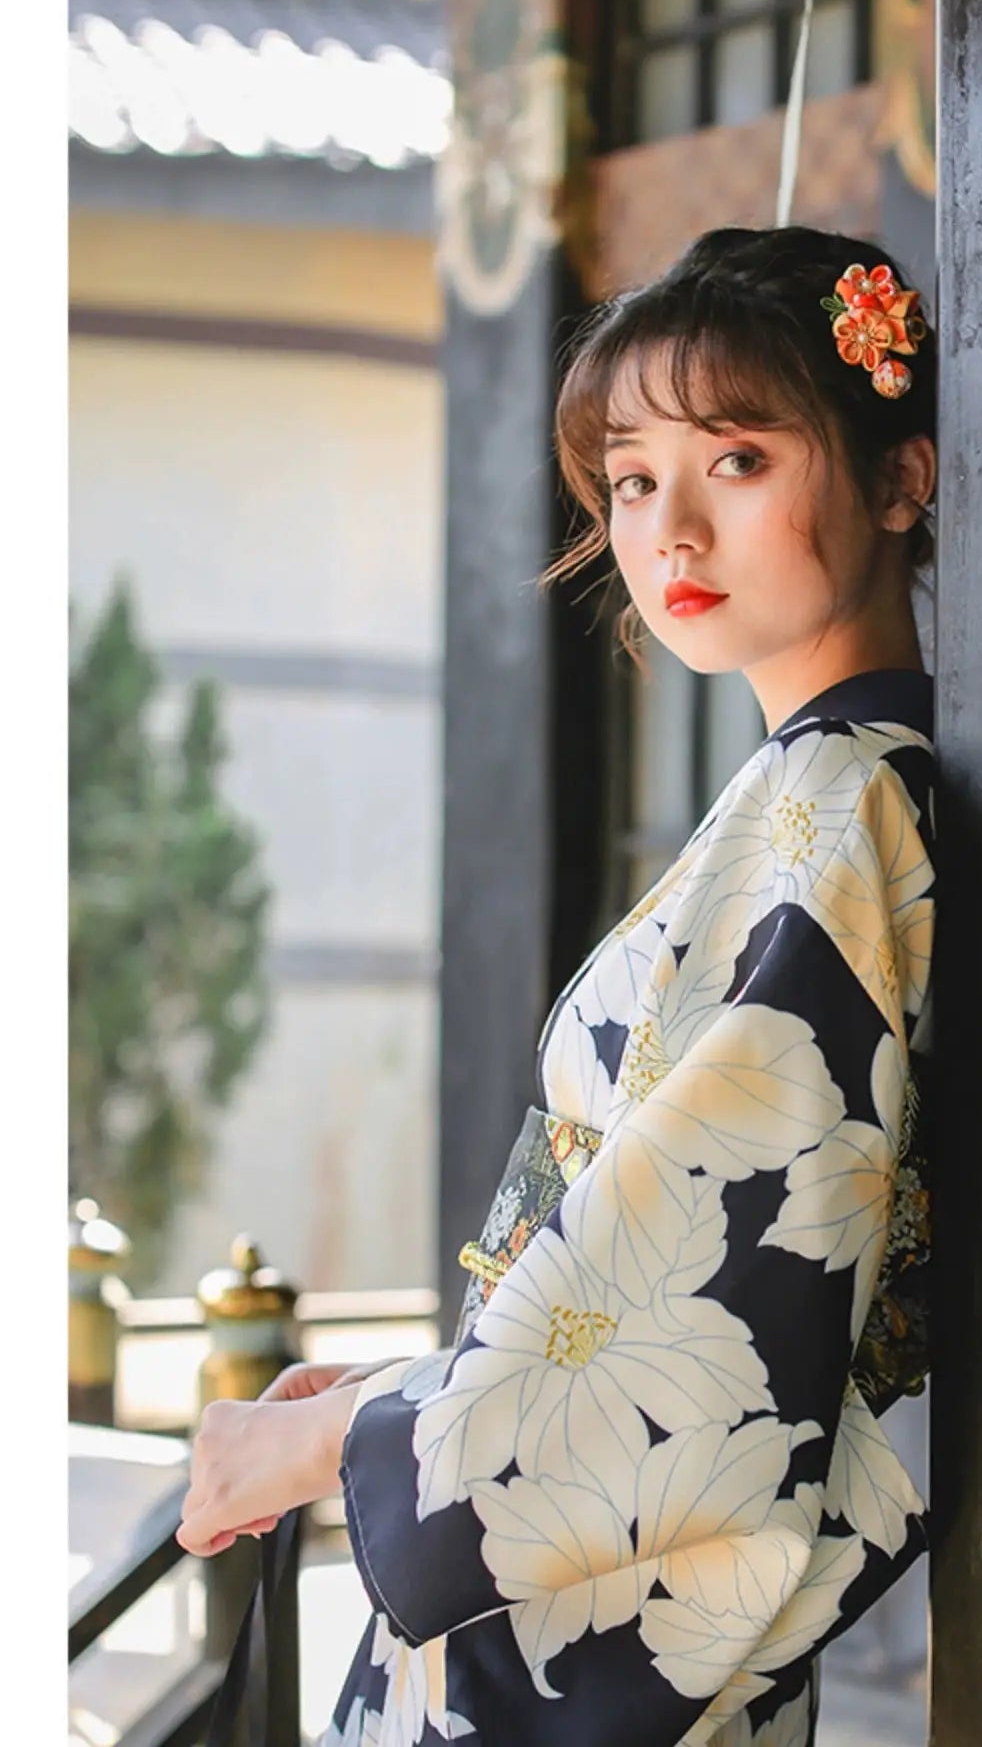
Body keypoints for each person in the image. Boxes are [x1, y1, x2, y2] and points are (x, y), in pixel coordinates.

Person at [176, 225, 939, 1747]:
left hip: (617, 1587)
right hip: (595, 1551)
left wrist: (341, 1440)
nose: (672, 535)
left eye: (736, 460)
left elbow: (708, 1313)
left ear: (901, 480)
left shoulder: (844, 814)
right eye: (636, 479)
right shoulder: (813, 799)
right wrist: (421, 1383)